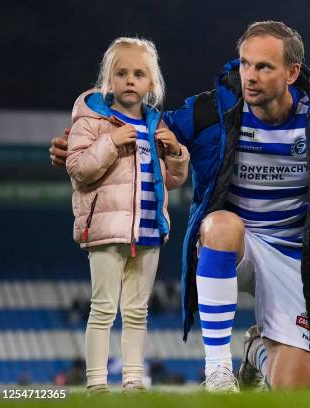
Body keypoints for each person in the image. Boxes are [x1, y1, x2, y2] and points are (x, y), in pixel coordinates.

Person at [49, 21, 310, 392]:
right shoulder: (212, 112)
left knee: (293, 389)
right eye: (244, 64)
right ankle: (218, 369)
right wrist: (81, 141)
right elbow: (145, 128)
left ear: (291, 73)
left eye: (263, 67)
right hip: (236, 242)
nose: (250, 76)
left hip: (297, 255)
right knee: (220, 224)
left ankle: (257, 350)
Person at [65, 37, 189, 394]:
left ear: (152, 83)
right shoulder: (93, 119)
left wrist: (177, 153)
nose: (129, 80)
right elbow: (78, 168)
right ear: (108, 79)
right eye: (121, 73)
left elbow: (171, 181)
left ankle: (134, 380)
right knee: (103, 308)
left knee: (137, 311)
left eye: (138, 74)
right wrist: (112, 141)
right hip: (107, 228)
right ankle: (96, 384)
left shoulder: (155, 125)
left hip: (149, 228)